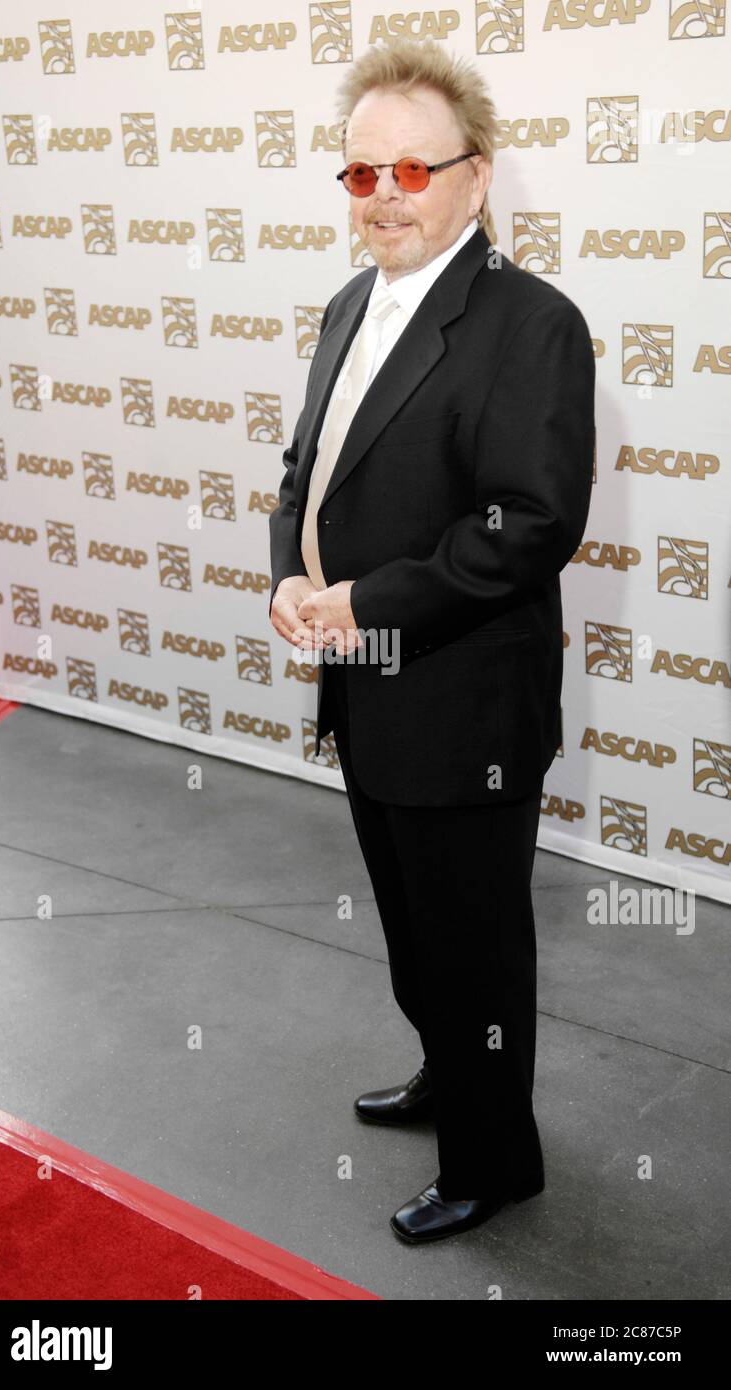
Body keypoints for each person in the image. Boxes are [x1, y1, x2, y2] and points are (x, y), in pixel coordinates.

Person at [268, 37, 595, 1243]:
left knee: (473, 948)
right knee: (412, 926)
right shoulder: (350, 302)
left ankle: (493, 1157)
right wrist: (288, 581)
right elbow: (305, 472)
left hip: (466, 707)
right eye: (361, 175)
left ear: (477, 178)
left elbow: (527, 523)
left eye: (414, 170)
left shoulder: (531, 322)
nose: (385, 195)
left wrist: (359, 601)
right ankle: (445, 1073)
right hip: (366, 686)